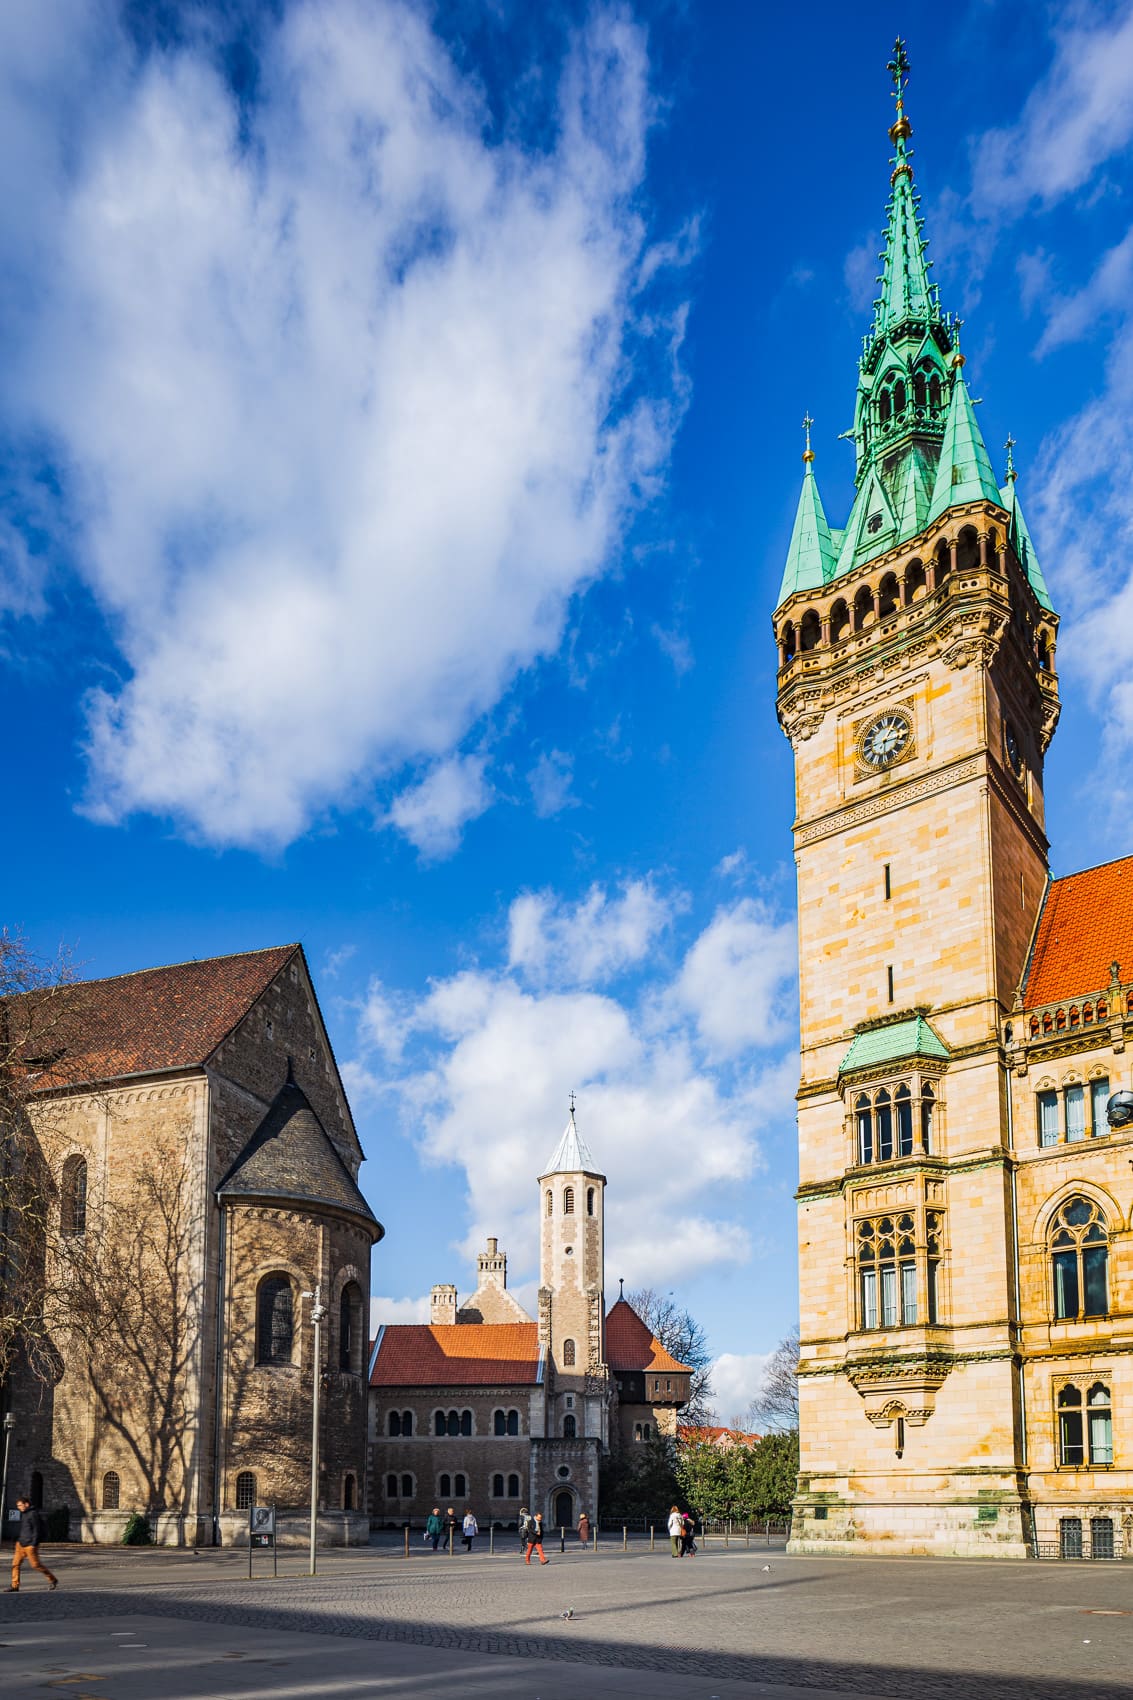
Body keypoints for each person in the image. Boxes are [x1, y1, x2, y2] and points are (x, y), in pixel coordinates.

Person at [8, 1498, 57, 1592]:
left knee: (36, 1565)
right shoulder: (24, 1514)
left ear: (26, 1504)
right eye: (18, 1506)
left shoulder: (33, 1514)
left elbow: (36, 1530)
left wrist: (33, 1543)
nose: (19, 1508)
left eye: (20, 1505)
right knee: (15, 1565)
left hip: (30, 1545)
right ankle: (15, 1586)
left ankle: (53, 1579)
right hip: (20, 1544)